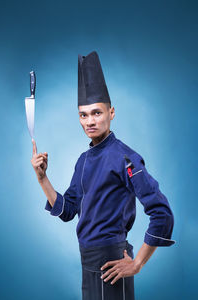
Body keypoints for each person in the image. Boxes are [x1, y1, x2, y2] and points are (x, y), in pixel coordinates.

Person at [31, 51, 175, 300]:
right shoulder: (83, 161)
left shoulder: (126, 158)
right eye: (83, 114)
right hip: (87, 260)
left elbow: (162, 213)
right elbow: (68, 211)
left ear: (112, 112)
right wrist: (42, 178)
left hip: (111, 262)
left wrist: (137, 263)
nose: (89, 121)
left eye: (97, 112)